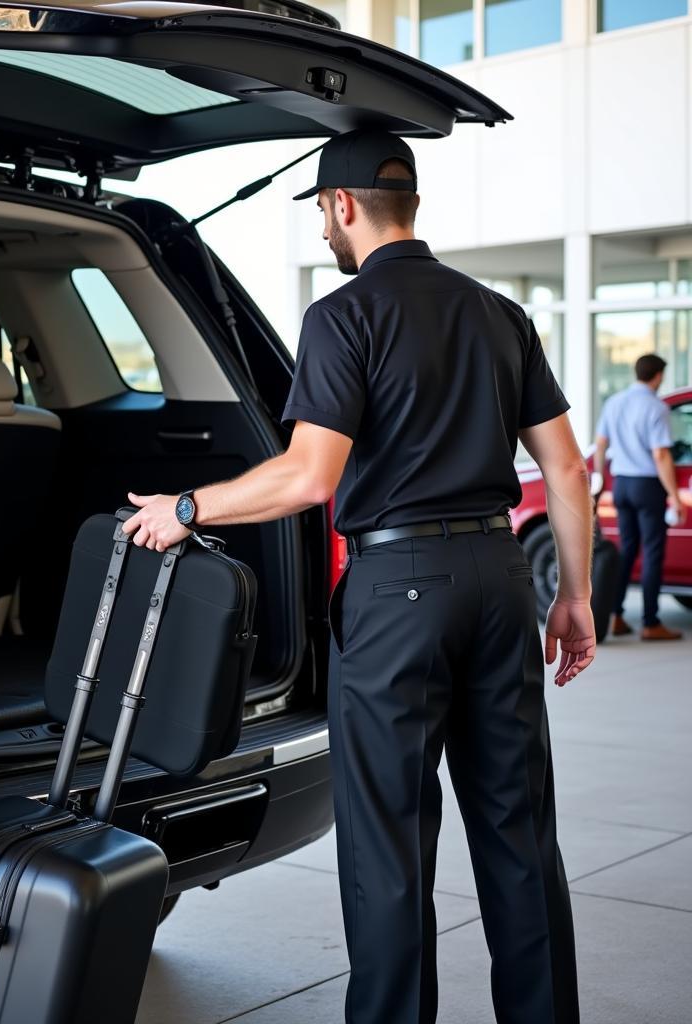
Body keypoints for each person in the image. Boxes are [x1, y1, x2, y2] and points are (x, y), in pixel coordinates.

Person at [121, 129, 593, 1024]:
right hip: (500, 576)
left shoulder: (344, 317)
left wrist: (184, 510)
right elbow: (565, 471)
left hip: (399, 588)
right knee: (521, 835)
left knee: (388, 846)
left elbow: (308, 478)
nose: (326, 235)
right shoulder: (499, 313)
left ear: (341, 205)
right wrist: (573, 596)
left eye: (323, 216)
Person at [595, 354, 686, 640]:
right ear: (658, 376)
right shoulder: (656, 407)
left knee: (627, 550)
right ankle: (650, 623)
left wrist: (600, 477)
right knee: (652, 553)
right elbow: (661, 454)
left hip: (620, 484)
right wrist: (674, 495)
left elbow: (600, 444)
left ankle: (615, 616)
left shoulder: (614, 402)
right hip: (647, 486)